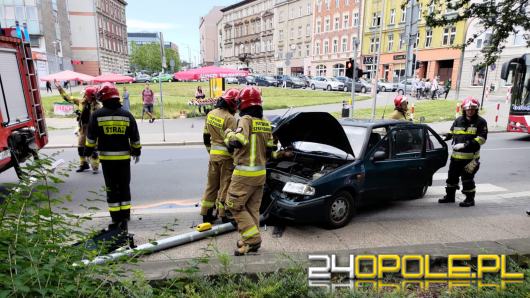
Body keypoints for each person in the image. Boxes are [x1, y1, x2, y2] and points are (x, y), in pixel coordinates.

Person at [224, 86, 276, 256]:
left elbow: (238, 141)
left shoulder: (245, 119)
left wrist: (228, 134)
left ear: (243, 103)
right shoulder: (265, 123)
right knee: (252, 209)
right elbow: (271, 150)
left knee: (233, 205)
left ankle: (252, 240)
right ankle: (251, 242)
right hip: (260, 174)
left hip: (244, 174)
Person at [85, 82, 141, 231]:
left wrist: (87, 152)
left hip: (107, 160)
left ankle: (116, 218)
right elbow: (134, 136)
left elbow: (91, 138)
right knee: (124, 187)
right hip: (124, 160)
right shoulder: (127, 114)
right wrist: (137, 151)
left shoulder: (97, 115)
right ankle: (125, 215)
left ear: (103, 99)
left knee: (112, 188)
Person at [439, 96, 487, 207]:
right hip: (456, 158)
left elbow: (482, 139)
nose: (470, 111)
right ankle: (450, 196)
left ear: (476, 109)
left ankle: (470, 199)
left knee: (467, 179)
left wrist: (465, 145)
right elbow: (452, 132)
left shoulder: (481, 122)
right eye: (468, 109)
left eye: (473, 109)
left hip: (472, 158)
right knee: (451, 177)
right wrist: (446, 136)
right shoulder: (458, 120)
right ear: (464, 109)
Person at [200, 88, 239, 223]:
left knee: (211, 185)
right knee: (225, 186)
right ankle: (223, 215)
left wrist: (210, 151)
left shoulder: (210, 114)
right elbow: (233, 143)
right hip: (226, 158)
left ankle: (206, 214)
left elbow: (205, 136)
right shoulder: (230, 118)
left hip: (213, 156)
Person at [54, 80, 100, 173]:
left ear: (91, 96)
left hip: (93, 129)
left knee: (93, 148)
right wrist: (60, 88)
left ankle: (95, 166)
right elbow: (67, 98)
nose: (85, 96)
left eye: (86, 95)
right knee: (81, 147)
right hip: (83, 128)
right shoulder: (80, 102)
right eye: (85, 95)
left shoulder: (97, 106)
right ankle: (84, 165)